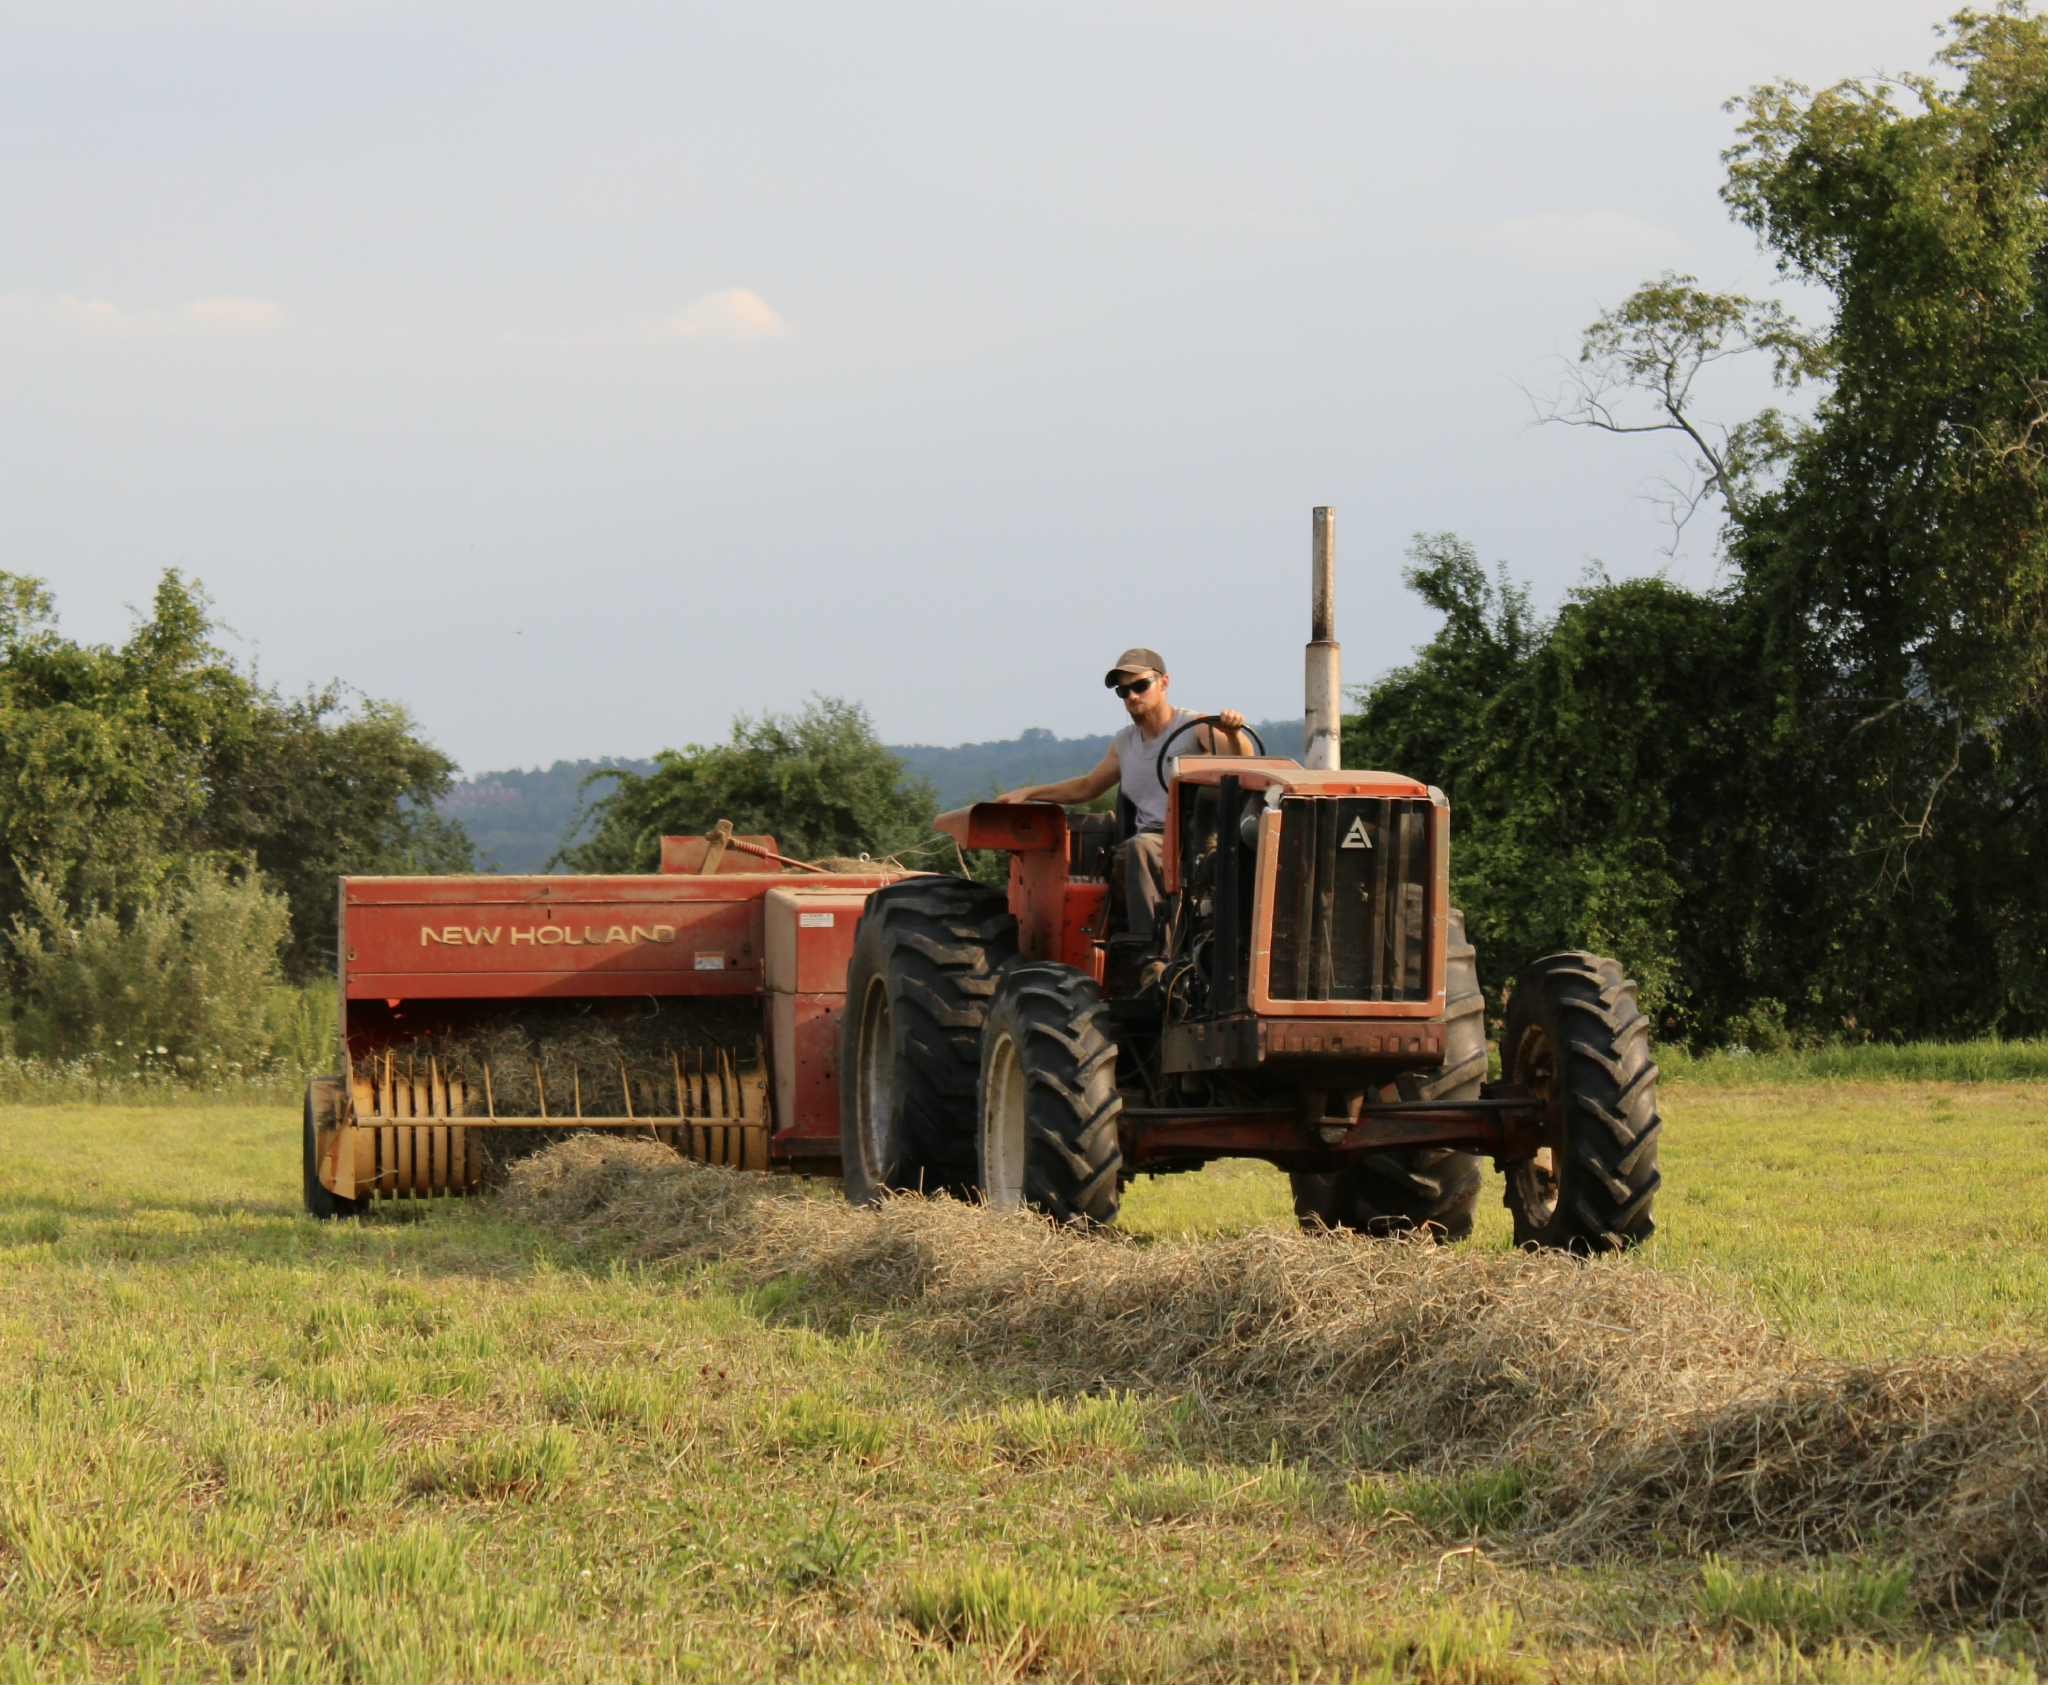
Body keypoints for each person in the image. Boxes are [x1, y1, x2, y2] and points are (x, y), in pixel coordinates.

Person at [998, 647, 1248, 946]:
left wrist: (1233, 733)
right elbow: (1086, 787)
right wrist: (1030, 793)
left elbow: (1242, 761)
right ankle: (1151, 953)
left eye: (1140, 686)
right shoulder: (1125, 744)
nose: (1132, 696)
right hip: (1154, 839)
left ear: (1164, 683)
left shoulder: (1197, 729)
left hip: (1199, 836)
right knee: (1139, 848)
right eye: (1123, 691)